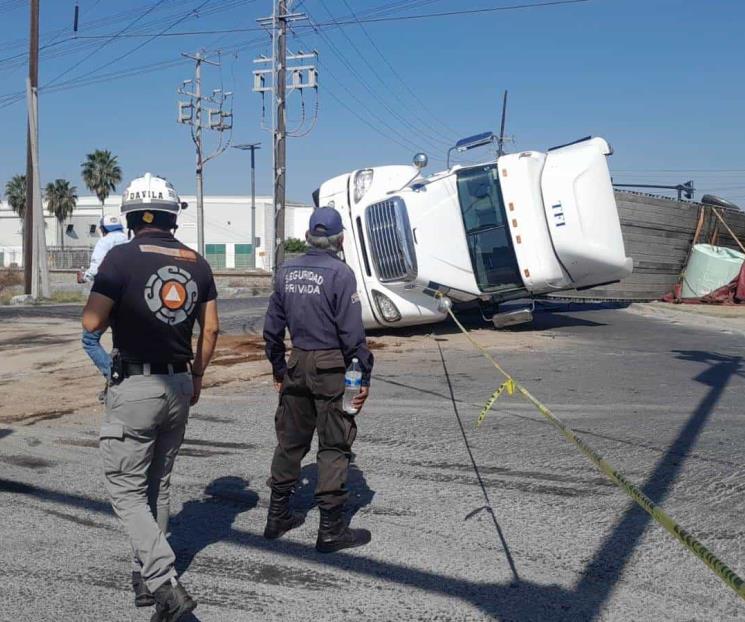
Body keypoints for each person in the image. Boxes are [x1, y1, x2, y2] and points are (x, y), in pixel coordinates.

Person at [81, 173, 219, 621]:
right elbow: (211, 328)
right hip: (179, 383)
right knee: (158, 485)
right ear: (171, 215)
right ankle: (145, 579)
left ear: (132, 215)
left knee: (126, 491)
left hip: (136, 385)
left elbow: (90, 324)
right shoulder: (197, 262)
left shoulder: (119, 258)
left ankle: (162, 579)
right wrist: (197, 376)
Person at [263, 206, 374, 553]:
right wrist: (362, 374)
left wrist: (280, 369)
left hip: (297, 362)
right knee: (334, 444)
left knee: (290, 442)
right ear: (340, 238)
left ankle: (277, 516)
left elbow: (271, 329)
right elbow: (352, 334)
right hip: (331, 367)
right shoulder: (341, 274)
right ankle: (330, 530)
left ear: (310, 236)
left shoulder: (286, 270)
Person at [77, 215, 129, 284]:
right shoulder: (128, 240)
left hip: (111, 283)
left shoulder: (104, 241)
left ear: (103, 229)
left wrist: (84, 277)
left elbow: (96, 266)